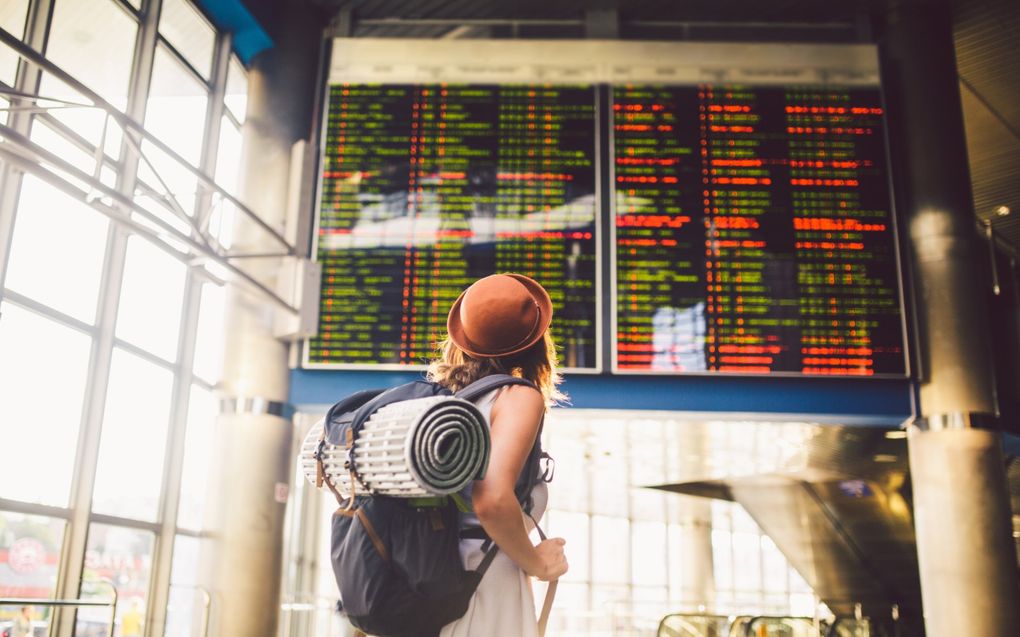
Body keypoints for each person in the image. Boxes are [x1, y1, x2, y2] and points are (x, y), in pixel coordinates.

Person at [429, 273, 569, 636]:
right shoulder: (518, 397)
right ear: (538, 341)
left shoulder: (442, 402)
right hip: (483, 586)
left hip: (434, 584)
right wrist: (538, 562)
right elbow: (490, 499)